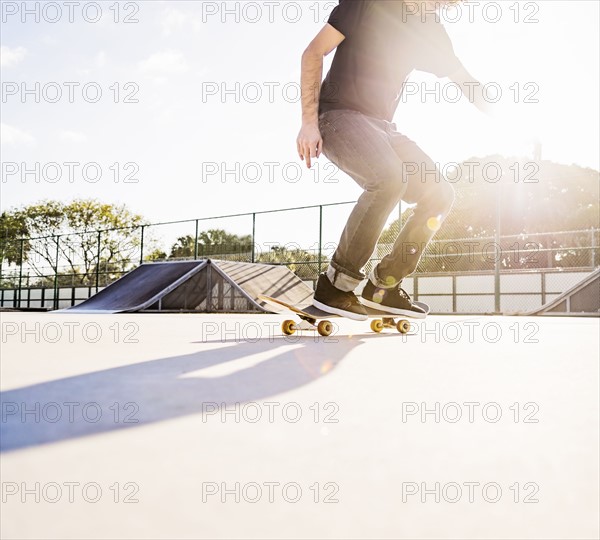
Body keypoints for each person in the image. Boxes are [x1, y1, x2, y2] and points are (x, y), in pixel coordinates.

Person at [297, 0, 494, 320]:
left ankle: (383, 286)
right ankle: (335, 285)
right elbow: (314, 52)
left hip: (383, 127)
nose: (435, 9)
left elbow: (467, 83)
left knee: (439, 193)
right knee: (389, 179)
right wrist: (308, 122)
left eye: (443, 4)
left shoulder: (431, 28)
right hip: (337, 116)